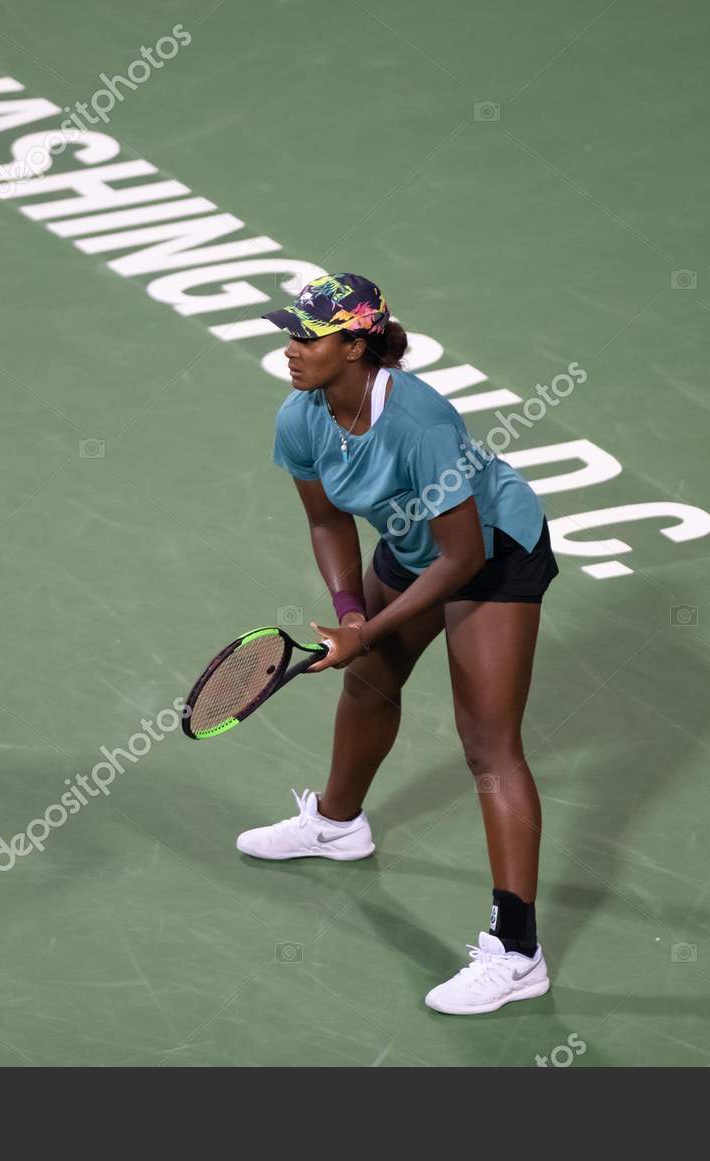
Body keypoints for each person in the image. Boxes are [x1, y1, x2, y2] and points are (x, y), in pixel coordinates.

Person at [235, 273, 560, 1015]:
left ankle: (517, 952)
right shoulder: (301, 416)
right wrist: (351, 612)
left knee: (489, 743)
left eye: (306, 338)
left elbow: (464, 556)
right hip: (417, 544)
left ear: (356, 346)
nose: (289, 350)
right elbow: (327, 522)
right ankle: (336, 823)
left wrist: (367, 631)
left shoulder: (421, 422)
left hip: (493, 548)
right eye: (288, 334)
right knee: (369, 683)